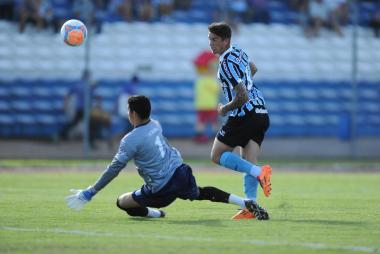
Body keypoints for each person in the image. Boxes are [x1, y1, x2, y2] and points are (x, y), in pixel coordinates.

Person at [65, 95, 269, 220]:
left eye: (129, 111)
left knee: (121, 202)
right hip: (181, 171)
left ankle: (156, 213)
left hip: (161, 188)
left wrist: (90, 192)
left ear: (133, 114)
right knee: (200, 192)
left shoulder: (129, 140)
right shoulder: (155, 124)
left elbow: (113, 170)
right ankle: (245, 202)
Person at [207, 22, 271, 220]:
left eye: (215, 40)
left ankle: (259, 172)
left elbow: (242, 96)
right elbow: (253, 68)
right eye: (209, 39)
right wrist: (245, 85)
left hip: (244, 115)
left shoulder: (226, 64)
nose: (211, 44)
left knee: (217, 156)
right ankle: (250, 207)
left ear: (226, 41)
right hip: (261, 112)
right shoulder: (238, 51)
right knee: (248, 160)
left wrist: (224, 108)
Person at [193, 51, 220, 143]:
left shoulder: (199, 80)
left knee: (201, 121)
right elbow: (217, 90)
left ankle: (199, 135)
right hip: (211, 105)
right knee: (214, 121)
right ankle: (215, 136)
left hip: (200, 105)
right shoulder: (211, 80)